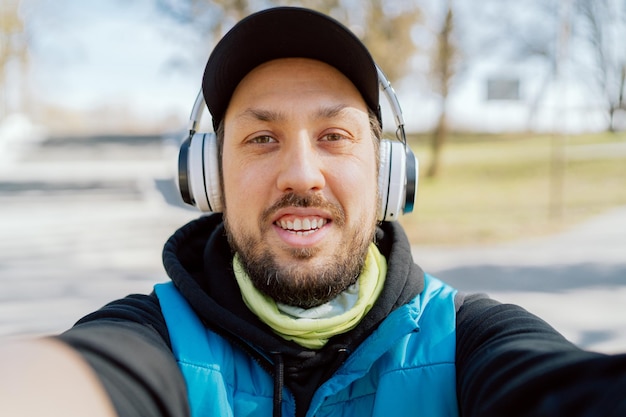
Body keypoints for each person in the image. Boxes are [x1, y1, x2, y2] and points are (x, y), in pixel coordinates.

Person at [2, 6, 626, 417]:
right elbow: (80, 379)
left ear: (386, 176)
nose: (301, 174)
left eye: (334, 136)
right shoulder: (151, 336)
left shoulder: (470, 341)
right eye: (262, 139)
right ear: (208, 177)